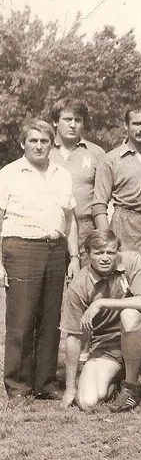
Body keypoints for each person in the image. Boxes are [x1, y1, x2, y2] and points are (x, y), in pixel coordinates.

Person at [0, 120, 81, 406]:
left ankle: (44, 382)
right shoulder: (9, 174)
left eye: (44, 141)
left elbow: (71, 220)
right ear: (23, 143)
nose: (38, 146)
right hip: (22, 248)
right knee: (21, 320)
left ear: (52, 144)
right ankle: (18, 386)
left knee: (50, 320)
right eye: (33, 140)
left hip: (56, 249)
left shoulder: (62, 174)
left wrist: (75, 257)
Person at [61, 230, 141, 412]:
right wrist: (69, 388)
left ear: (117, 252)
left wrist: (101, 303)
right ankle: (117, 378)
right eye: (98, 253)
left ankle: (130, 388)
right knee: (88, 401)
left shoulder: (131, 261)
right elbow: (73, 337)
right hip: (106, 348)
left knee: (129, 315)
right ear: (88, 253)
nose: (105, 258)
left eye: (110, 252)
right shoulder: (79, 285)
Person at [93, 107, 141, 260]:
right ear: (126, 126)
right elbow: (99, 205)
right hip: (125, 227)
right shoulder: (111, 159)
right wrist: (107, 242)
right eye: (136, 124)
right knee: (125, 278)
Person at [48, 98, 106, 263]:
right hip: (51, 228)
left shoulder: (96, 153)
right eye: (67, 119)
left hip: (86, 228)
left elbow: (103, 200)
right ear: (55, 122)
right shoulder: (44, 151)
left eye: (78, 120)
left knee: (86, 283)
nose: (72, 125)